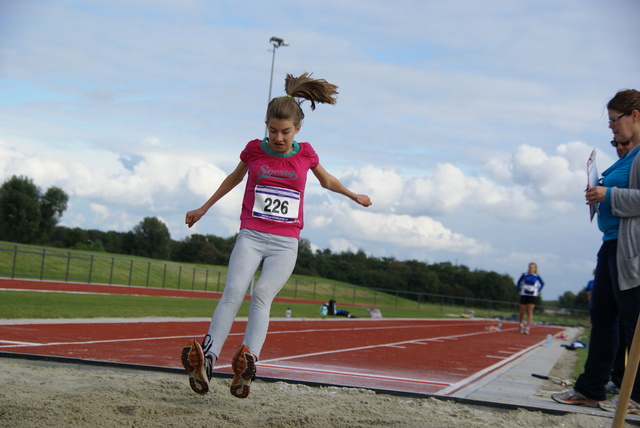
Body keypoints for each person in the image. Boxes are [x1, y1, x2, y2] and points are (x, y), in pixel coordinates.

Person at [180, 73, 372, 399]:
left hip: (285, 243)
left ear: (297, 129)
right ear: (265, 126)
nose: (278, 138)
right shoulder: (254, 150)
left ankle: (247, 362)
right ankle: (208, 361)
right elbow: (233, 179)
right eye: (272, 130)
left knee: (262, 294)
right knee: (233, 292)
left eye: (285, 132)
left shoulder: (306, 154)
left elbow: (326, 181)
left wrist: (354, 196)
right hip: (252, 235)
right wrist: (204, 207)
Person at [552, 89, 640, 413]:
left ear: (635, 116)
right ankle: (591, 388)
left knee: (633, 321)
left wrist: (608, 193)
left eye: (615, 121)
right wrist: (598, 193)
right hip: (611, 244)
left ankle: (637, 395)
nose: (612, 129)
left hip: (631, 250)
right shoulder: (629, 157)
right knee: (603, 318)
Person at [516, 262, 544, 334]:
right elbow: (518, 282)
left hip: (532, 295)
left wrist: (538, 291)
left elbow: (542, 283)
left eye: (532, 267)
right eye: (530, 267)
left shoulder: (536, 276)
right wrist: (519, 290)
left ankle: (528, 327)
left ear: (535, 269)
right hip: (524, 294)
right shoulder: (524, 275)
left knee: (530, 311)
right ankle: (521, 324)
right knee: (522, 311)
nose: (531, 268)